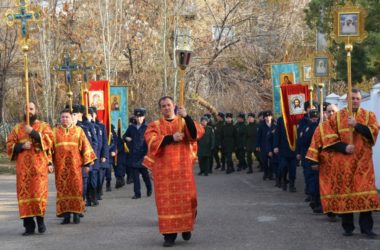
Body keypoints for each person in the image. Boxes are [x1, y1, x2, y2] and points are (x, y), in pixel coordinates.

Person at [307, 89, 380, 237]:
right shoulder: (337, 117)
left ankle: (366, 228)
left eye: (357, 98)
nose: (355, 101)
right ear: (347, 100)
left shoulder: (368, 115)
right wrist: (344, 147)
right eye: (352, 98)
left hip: (363, 164)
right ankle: (348, 227)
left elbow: (373, 132)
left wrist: (357, 125)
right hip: (344, 162)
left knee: (365, 195)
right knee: (346, 195)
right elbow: (326, 136)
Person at [143, 96, 204, 247]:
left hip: (183, 170)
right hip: (164, 172)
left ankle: (186, 227)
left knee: (188, 200)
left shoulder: (182, 121)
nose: (166, 108)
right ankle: (169, 236)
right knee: (165, 203)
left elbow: (196, 134)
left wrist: (187, 117)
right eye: (163, 106)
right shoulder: (155, 125)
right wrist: (171, 138)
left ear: (174, 106)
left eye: (168, 105)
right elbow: (150, 140)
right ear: (160, 108)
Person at [6, 102, 54, 236]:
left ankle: (40, 222)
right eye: (26, 109)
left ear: (36, 110)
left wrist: (32, 132)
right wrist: (20, 146)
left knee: (38, 195)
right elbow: (9, 144)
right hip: (23, 171)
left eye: (31, 109)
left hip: (38, 169)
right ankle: (28, 226)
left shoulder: (44, 126)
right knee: (24, 196)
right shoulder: (17, 128)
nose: (29, 112)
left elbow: (50, 141)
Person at [52, 109, 96, 224]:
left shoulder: (78, 131)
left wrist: (87, 164)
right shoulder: (55, 132)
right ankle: (66, 216)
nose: (64, 119)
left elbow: (86, 146)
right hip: (61, 169)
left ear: (72, 118)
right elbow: (49, 150)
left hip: (75, 168)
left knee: (76, 190)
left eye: (67, 117)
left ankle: (76, 214)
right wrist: (49, 163)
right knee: (63, 191)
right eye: (62, 117)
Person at [296, 109, 321, 213]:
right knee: (309, 176)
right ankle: (312, 195)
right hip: (307, 154)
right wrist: (298, 153)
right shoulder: (306, 127)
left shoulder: (318, 127)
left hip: (317, 155)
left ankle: (315, 198)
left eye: (316, 117)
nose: (314, 119)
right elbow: (301, 140)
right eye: (312, 117)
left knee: (315, 179)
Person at [124, 108, 152, 199]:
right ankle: (137, 193)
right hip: (134, 155)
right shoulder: (131, 127)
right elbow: (124, 135)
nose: (138, 118)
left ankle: (149, 188)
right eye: (137, 117)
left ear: (144, 117)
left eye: (140, 117)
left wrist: (149, 154)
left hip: (143, 155)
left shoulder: (147, 128)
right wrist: (126, 138)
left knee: (145, 175)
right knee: (135, 176)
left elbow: (151, 141)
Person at [89, 107, 109, 201]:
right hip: (92, 155)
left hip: (100, 155)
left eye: (92, 114)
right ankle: (93, 196)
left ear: (95, 115)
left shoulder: (101, 126)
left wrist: (104, 155)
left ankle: (98, 191)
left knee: (100, 176)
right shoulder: (88, 127)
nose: (90, 116)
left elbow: (105, 142)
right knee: (93, 176)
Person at [274, 114, 298, 192]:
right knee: (283, 166)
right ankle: (284, 180)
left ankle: (292, 185)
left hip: (293, 149)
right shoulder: (281, 120)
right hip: (283, 148)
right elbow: (277, 133)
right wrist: (276, 146)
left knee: (293, 168)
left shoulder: (296, 119)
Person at [256, 111, 275, 180]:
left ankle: (271, 174)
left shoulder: (274, 125)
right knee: (264, 161)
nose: (268, 118)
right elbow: (258, 136)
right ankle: (265, 173)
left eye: (269, 116)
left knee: (272, 161)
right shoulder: (261, 126)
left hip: (272, 146)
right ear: (264, 118)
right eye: (266, 117)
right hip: (263, 146)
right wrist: (257, 145)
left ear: (271, 117)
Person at [106, 124, 118, 191]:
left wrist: (113, 150)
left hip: (109, 152)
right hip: (101, 152)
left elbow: (115, 141)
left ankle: (108, 183)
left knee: (108, 169)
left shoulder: (111, 128)